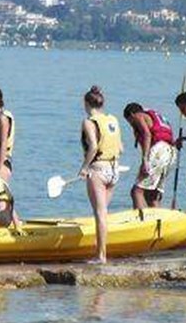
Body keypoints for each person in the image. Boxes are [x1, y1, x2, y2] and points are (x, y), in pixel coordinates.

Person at [78, 86, 123, 264]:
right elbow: (120, 148)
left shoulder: (89, 122)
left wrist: (84, 167)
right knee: (103, 211)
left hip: (98, 170)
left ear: (86, 103)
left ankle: (101, 256)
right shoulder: (112, 120)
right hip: (114, 169)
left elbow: (94, 147)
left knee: (100, 213)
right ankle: (101, 250)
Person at [123, 103, 177, 209]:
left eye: (129, 121)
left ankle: (140, 222)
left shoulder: (138, 116)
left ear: (132, 114)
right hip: (170, 153)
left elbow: (147, 134)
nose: (130, 124)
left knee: (136, 191)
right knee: (152, 195)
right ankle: (157, 220)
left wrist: (145, 160)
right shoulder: (153, 116)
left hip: (159, 151)